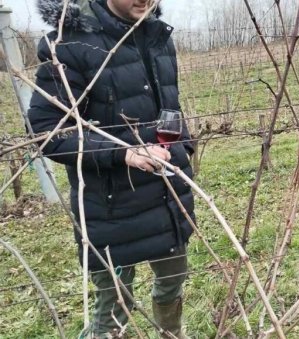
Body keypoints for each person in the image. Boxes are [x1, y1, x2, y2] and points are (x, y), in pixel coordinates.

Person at [29, 0, 195, 337]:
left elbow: (171, 110)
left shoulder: (157, 36)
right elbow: (49, 133)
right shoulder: (70, 45)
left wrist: (182, 147)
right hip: (110, 208)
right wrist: (124, 153)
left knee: (172, 286)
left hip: (168, 198)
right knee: (115, 310)